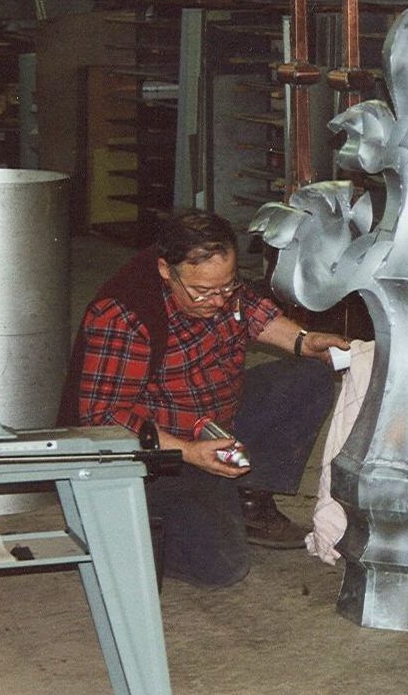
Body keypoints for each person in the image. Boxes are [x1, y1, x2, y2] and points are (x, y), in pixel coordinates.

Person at [59, 210, 349, 587]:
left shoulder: (216, 284)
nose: (217, 301)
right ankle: (137, 524)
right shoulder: (125, 315)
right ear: (166, 270)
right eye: (203, 292)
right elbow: (101, 417)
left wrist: (303, 341)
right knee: (221, 568)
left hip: (215, 421)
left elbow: (254, 312)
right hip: (162, 450)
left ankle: (248, 499)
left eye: (226, 287)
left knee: (311, 372)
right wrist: (190, 452)